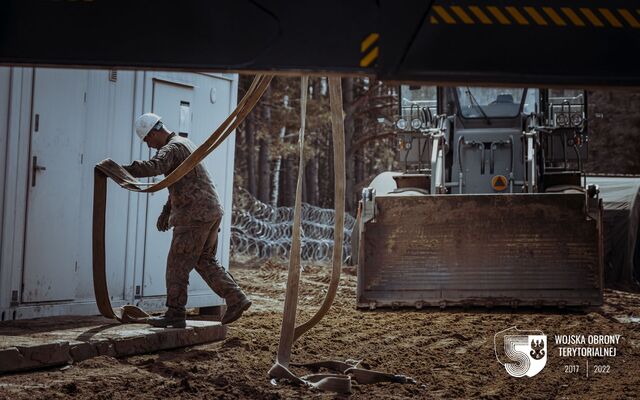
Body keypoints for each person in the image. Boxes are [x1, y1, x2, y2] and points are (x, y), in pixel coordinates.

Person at [122, 112, 251, 328]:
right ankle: (236, 298)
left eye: (147, 140)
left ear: (155, 131)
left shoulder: (171, 148)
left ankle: (175, 314)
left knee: (176, 266)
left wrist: (123, 170)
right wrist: (167, 210)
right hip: (209, 211)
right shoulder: (184, 143)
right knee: (204, 260)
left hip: (194, 216)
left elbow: (155, 167)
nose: (149, 145)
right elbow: (182, 182)